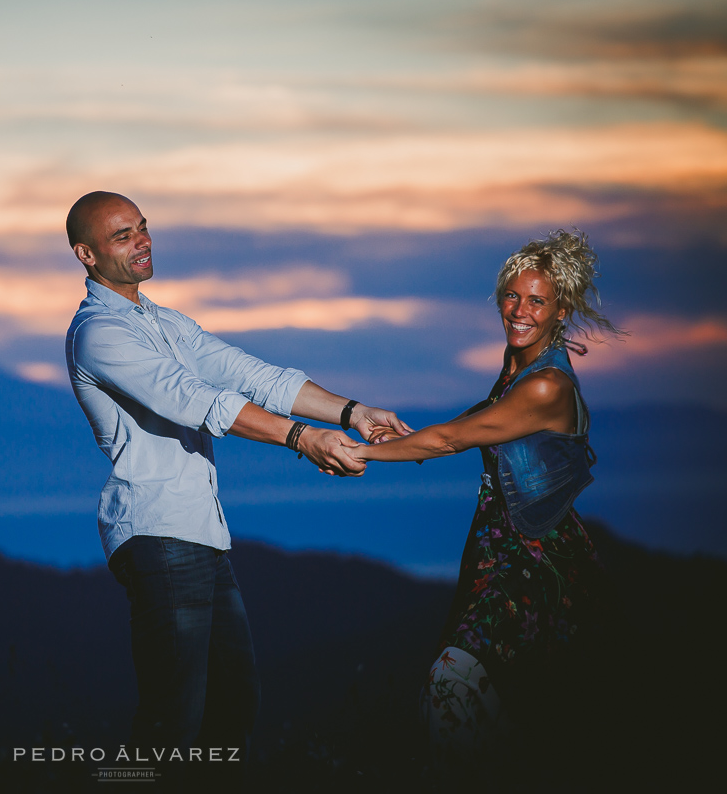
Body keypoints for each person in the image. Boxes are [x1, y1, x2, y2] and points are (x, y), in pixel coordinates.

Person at [63, 191, 409, 768]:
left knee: (230, 713)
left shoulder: (165, 323)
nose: (142, 241)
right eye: (122, 236)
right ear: (86, 255)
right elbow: (199, 401)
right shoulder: (100, 333)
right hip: (159, 536)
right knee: (170, 724)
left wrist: (350, 413)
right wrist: (302, 439)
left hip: (201, 538)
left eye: (143, 228)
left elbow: (253, 376)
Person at [354, 229, 624, 771]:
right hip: (500, 552)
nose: (519, 311)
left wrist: (360, 452)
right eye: (512, 296)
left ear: (560, 309)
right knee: (504, 705)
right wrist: (404, 442)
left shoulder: (547, 386)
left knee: (453, 681)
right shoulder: (518, 363)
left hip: (535, 561)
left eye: (537, 301)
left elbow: (455, 439)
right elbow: (477, 420)